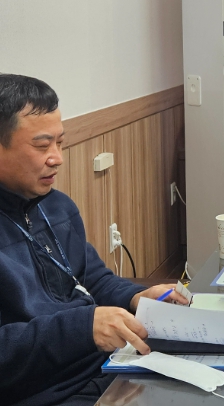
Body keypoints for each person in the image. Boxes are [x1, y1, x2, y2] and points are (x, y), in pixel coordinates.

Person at [0, 74, 188, 406]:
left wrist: (136, 297)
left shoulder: (57, 207)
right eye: (42, 146)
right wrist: (82, 328)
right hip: (49, 392)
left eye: (60, 142)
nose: (57, 157)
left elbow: (92, 279)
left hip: (111, 366)